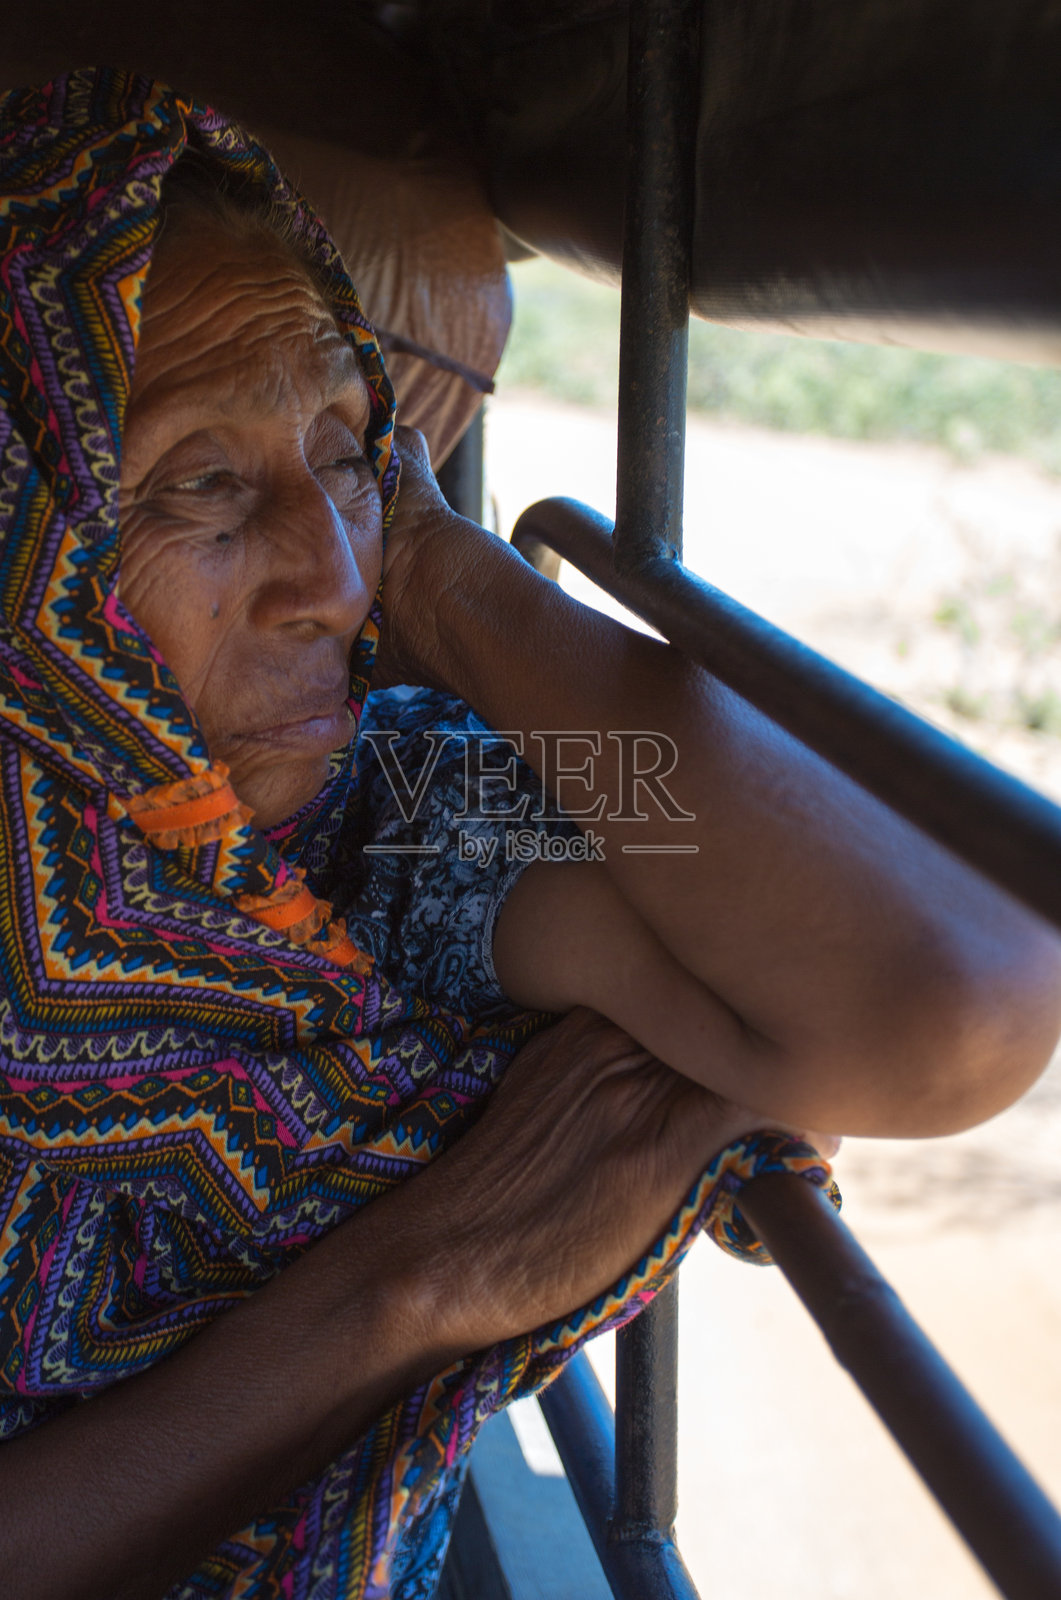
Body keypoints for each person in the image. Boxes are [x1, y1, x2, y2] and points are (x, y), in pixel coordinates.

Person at [0, 68, 1057, 1600]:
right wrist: (412, 1288)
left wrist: (447, 573)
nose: (327, 584)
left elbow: (951, 997)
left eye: (350, 457)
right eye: (206, 488)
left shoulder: (381, 822)